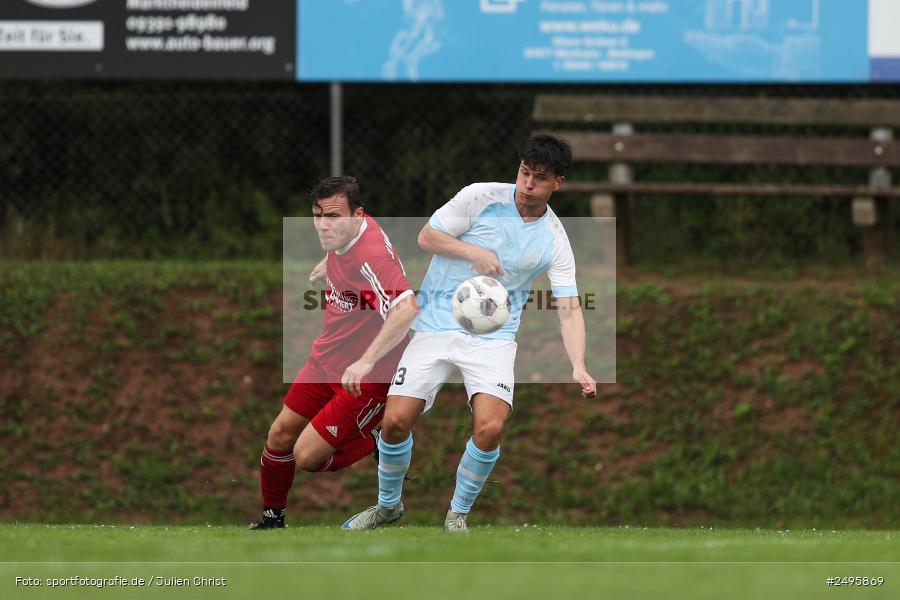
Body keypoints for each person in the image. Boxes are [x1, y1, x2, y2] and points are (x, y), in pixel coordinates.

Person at [342, 134, 597, 533]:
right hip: (435, 324)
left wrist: (579, 365)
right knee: (394, 421)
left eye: (540, 178)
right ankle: (387, 506)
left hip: (492, 339)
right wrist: (472, 252)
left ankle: (456, 516)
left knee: (490, 427)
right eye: (524, 173)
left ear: (558, 183)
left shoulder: (554, 239)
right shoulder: (480, 197)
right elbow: (426, 236)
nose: (528, 184)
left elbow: (568, 309)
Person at [249, 176, 419, 530]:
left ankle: (378, 438)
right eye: (317, 215)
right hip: (326, 360)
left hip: (364, 377)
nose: (323, 224)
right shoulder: (346, 232)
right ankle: (271, 521)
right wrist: (332, 262)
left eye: (333, 216)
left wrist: (367, 360)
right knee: (279, 435)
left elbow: (406, 309)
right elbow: (349, 250)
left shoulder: (371, 255)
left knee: (307, 457)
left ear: (357, 215)